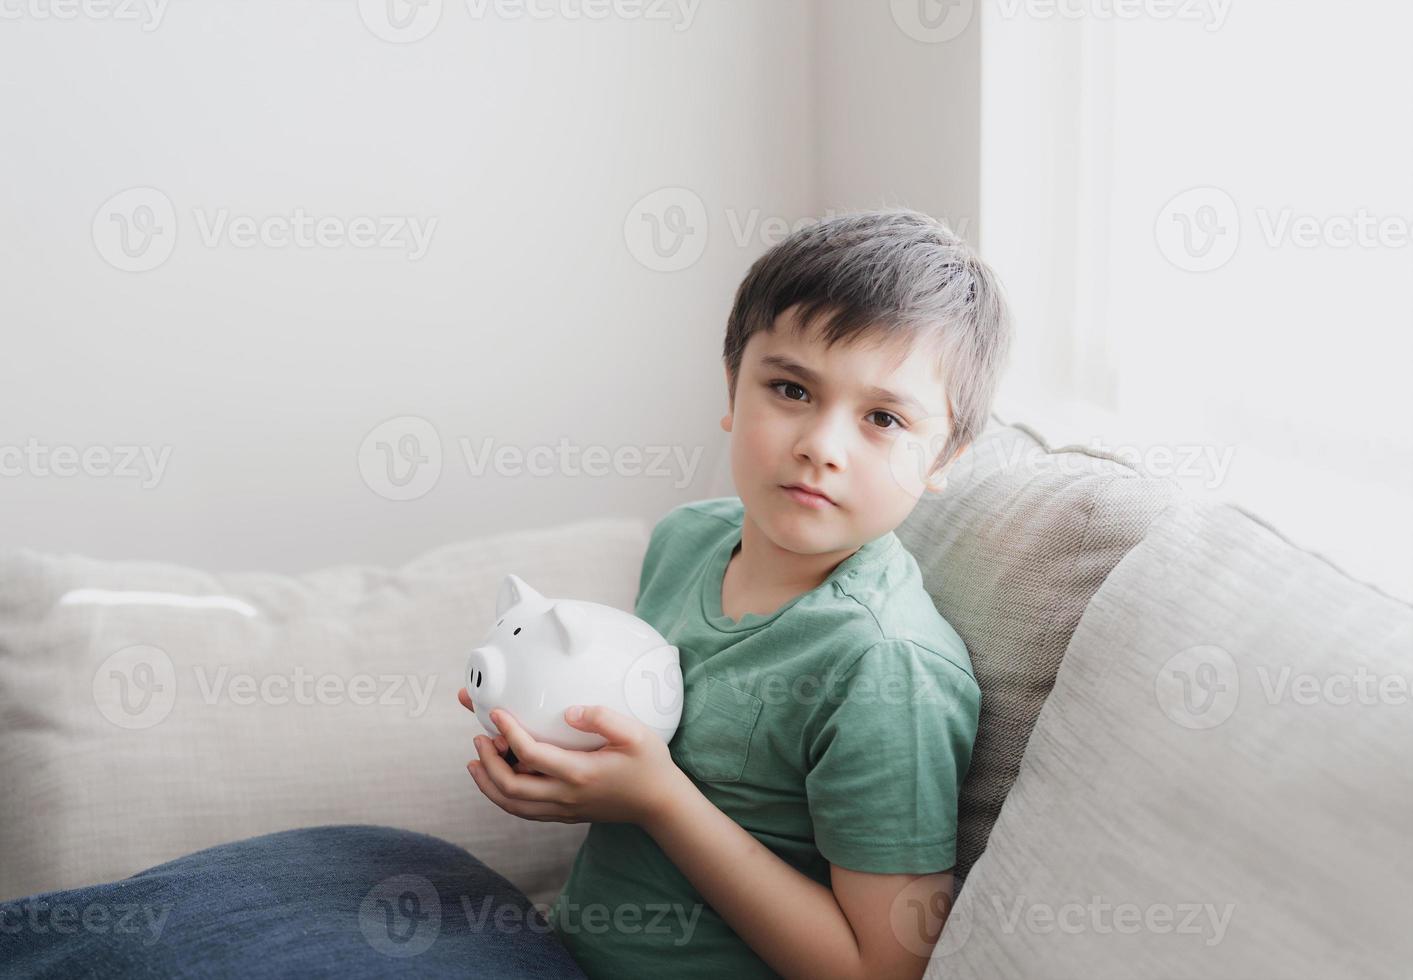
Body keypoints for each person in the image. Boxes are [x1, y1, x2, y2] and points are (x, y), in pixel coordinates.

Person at [462, 208, 1015, 979]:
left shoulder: (887, 666)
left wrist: (658, 800)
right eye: (790, 388)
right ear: (732, 388)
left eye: (883, 418)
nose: (820, 446)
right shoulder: (685, 539)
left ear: (944, 456)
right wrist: (547, 745)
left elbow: (880, 969)